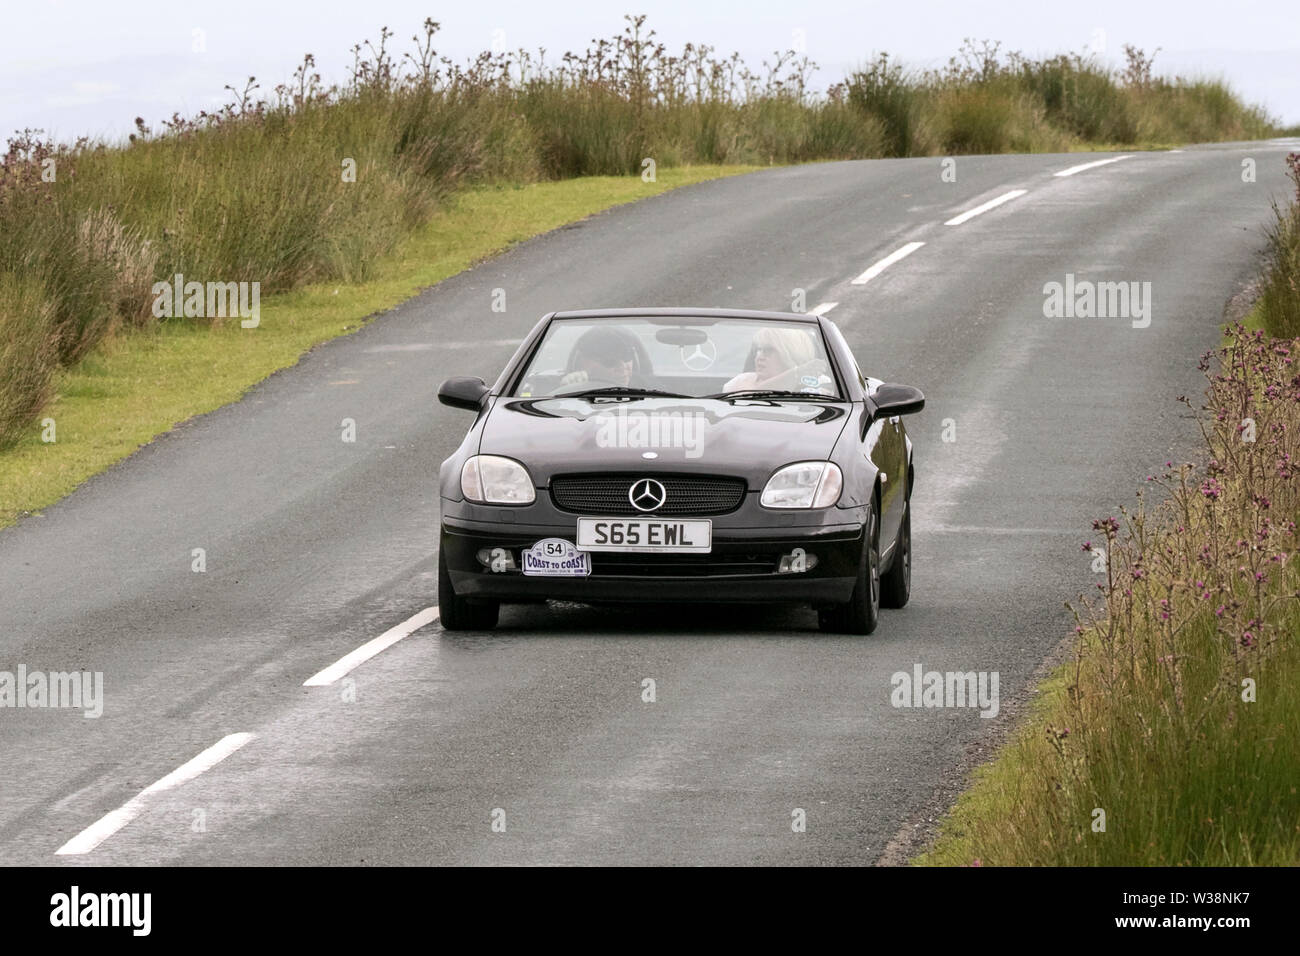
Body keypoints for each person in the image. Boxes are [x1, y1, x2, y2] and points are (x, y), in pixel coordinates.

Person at [723, 326, 829, 392]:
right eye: (759, 350)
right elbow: (747, 397)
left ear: (791, 353)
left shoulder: (818, 382)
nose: (759, 356)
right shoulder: (741, 381)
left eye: (768, 350)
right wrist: (796, 373)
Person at [557, 326, 637, 390]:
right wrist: (567, 392)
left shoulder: (647, 388)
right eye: (610, 360)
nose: (622, 367)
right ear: (584, 364)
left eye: (627, 356)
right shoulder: (560, 389)